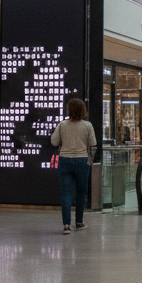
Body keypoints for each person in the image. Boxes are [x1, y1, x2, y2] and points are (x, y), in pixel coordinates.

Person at [51, 97, 97, 235]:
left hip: (64, 160)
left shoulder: (62, 125)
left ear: (69, 110)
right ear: (83, 110)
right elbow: (93, 143)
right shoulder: (87, 125)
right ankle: (79, 222)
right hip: (82, 160)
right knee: (81, 192)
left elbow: (54, 142)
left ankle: (66, 225)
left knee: (66, 193)